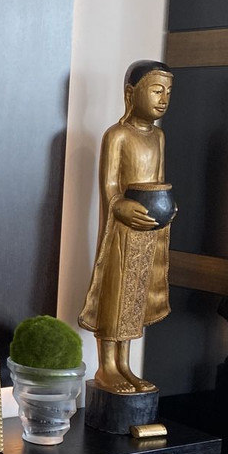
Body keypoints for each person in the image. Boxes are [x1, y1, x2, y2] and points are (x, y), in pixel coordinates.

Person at [78, 60, 176, 394]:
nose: (163, 98)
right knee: (116, 293)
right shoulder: (117, 135)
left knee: (136, 297)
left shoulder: (158, 136)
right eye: (156, 90)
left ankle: (125, 365)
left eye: (168, 92)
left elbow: (158, 180)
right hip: (121, 228)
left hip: (148, 230)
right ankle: (107, 366)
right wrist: (121, 206)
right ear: (131, 94)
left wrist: (168, 205)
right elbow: (109, 187)